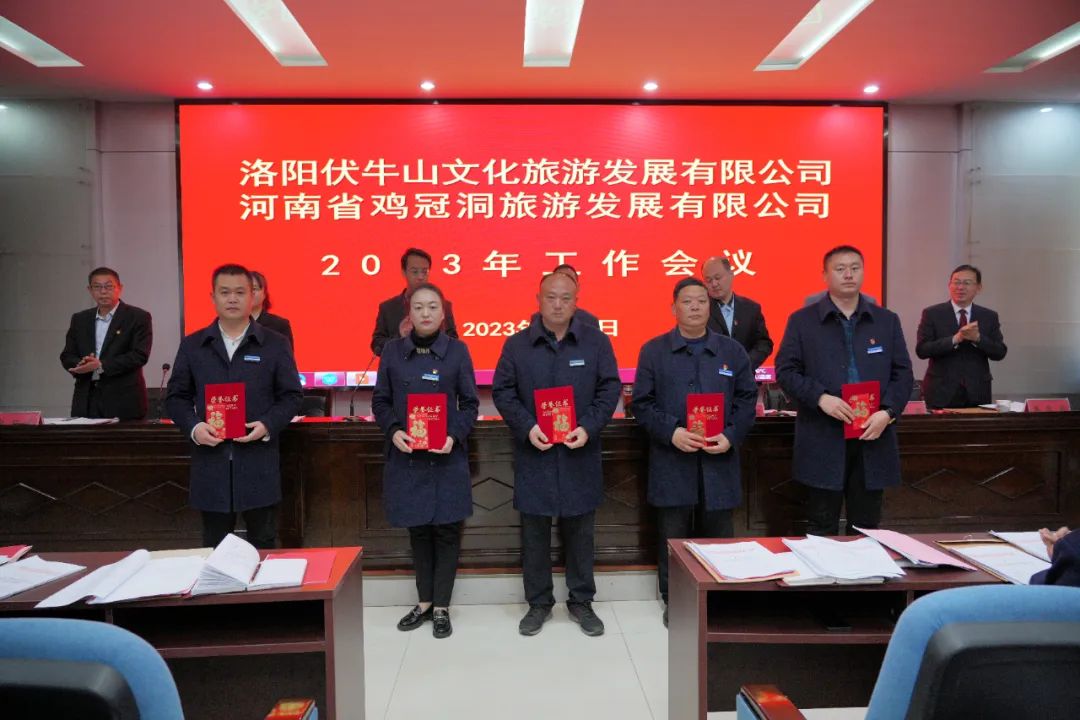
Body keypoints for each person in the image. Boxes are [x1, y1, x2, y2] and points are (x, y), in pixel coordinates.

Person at [492, 271, 621, 637]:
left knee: (580, 531)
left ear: (576, 302)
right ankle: (538, 603)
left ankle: (581, 601)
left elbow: (609, 388)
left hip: (580, 450)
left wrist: (589, 427)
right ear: (538, 300)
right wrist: (527, 427)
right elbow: (503, 392)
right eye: (551, 297)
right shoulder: (517, 345)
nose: (558, 304)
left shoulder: (596, 342)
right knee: (534, 532)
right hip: (535, 451)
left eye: (566, 298)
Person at [632, 278, 758, 626]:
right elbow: (641, 404)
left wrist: (731, 435)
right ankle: (676, 601)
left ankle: (717, 600)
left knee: (718, 538)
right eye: (687, 301)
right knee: (673, 538)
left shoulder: (732, 351)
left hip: (719, 461)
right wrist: (671, 432)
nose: (695, 307)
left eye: (702, 301)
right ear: (673, 308)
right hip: (672, 460)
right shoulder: (653, 351)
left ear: (710, 306)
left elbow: (747, 400)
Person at [776, 245, 914, 536]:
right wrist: (820, 398)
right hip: (823, 433)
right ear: (825, 276)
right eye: (840, 269)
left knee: (867, 529)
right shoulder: (802, 321)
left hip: (872, 435)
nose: (849, 274)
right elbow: (786, 371)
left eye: (855, 268)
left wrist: (888, 413)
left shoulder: (886, 320)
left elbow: (902, 374)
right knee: (821, 527)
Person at [165, 263, 302, 549]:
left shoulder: (274, 344)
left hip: (258, 461)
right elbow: (176, 397)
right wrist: (194, 428)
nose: (232, 299)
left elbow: (291, 396)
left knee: (263, 543)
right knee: (215, 547)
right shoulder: (193, 345)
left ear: (253, 296)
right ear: (213, 297)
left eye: (240, 292)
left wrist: (267, 424)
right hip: (211, 463)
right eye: (224, 292)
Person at [372, 283, 479, 639]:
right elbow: (381, 401)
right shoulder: (392, 352)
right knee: (418, 530)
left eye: (433, 306)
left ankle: (442, 606)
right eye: (419, 307)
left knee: (447, 531)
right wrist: (393, 430)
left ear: (443, 313)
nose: (426, 313)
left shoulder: (458, 351)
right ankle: (425, 602)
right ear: (409, 313)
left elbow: (470, 403)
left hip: (446, 456)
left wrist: (454, 435)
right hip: (408, 457)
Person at [60, 267, 153, 420]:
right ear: (90, 290)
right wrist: (81, 364)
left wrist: (101, 365)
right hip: (86, 400)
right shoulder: (80, 319)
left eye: (108, 286)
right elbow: (67, 355)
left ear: (120, 288)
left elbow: (139, 355)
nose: (103, 292)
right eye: (97, 287)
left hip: (124, 401)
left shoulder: (138, 317)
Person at [915, 265, 1007, 408]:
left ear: (978, 288)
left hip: (977, 391)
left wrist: (978, 338)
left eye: (967, 283)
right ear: (949, 285)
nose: (960, 287)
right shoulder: (932, 313)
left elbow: (1000, 352)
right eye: (956, 282)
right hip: (940, 391)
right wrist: (955, 339)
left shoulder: (989, 316)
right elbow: (922, 350)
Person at [371, 248, 458, 356]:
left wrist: (434, 337)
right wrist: (400, 336)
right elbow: (376, 345)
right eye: (415, 272)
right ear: (404, 272)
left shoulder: (444, 305)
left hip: (435, 365)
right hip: (401, 365)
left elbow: (454, 342)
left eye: (424, 272)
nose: (420, 277)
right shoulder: (388, 308)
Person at [701, 256, 773, 370]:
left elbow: (764, 343)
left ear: (731, 275)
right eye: (708, 280)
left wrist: (746, 363)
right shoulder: (700, 310)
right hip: (711, 377)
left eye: (718, 278)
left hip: (745, 376)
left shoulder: (751, 308)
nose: (714, 284)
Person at [250, 270, 295, 353]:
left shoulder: (279, 325)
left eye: (254, 289)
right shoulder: (229, 324)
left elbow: (286, 358)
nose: (251, 292)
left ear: (264, 294)